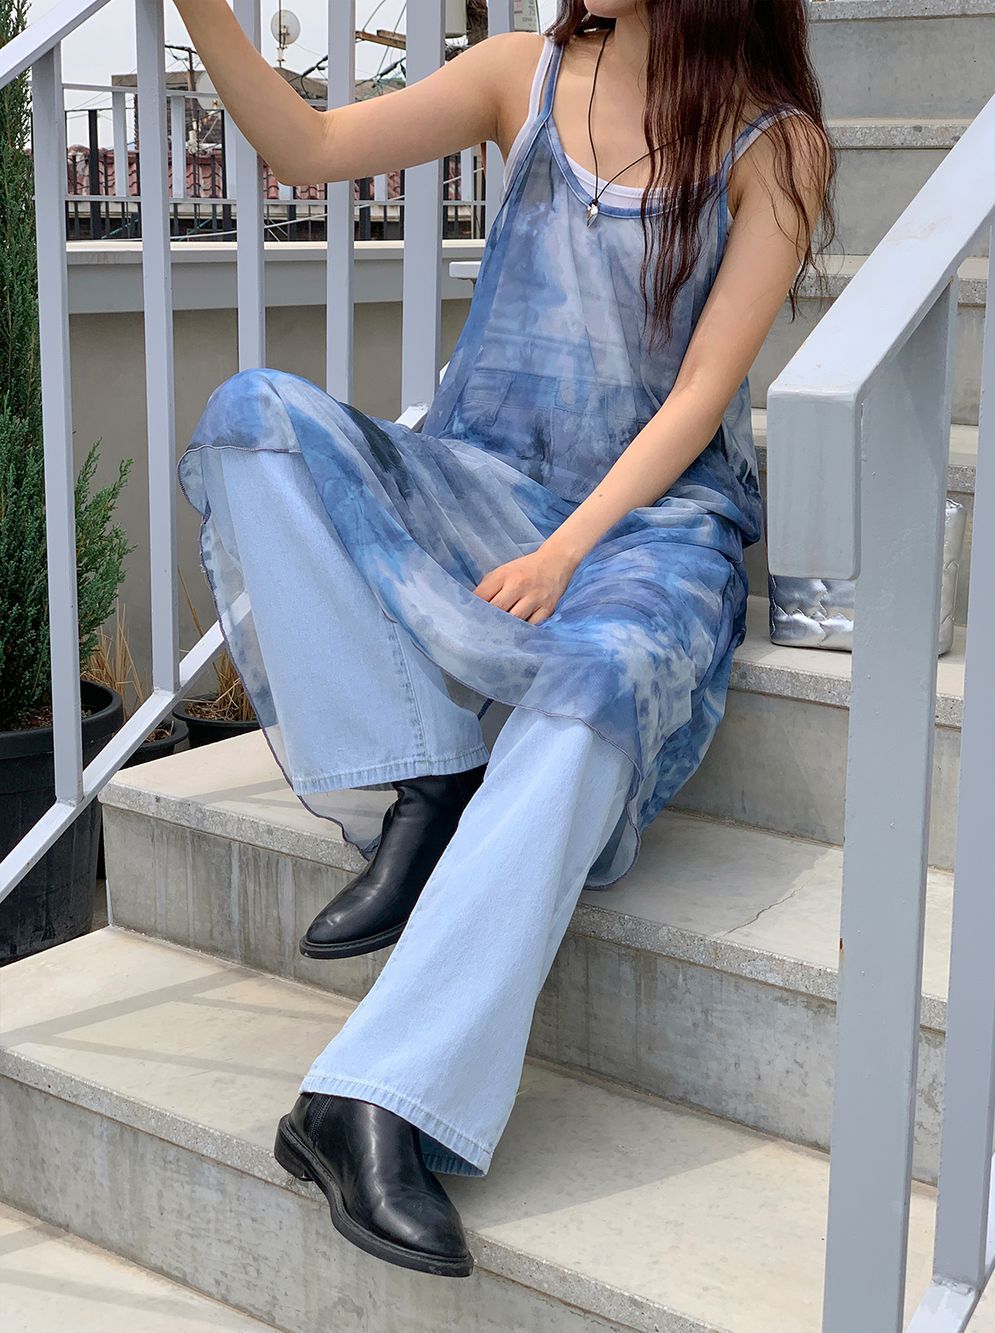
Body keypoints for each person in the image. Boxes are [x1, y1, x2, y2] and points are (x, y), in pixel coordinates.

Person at [173, 0, 834, 1281]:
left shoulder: (774, 145)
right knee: (255, 419)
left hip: (651, 527)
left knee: (600, 678)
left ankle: (370, 1101)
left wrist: (567, 550)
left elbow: (700, 392)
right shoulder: (517, 75)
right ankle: (430, 769)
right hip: (483, 474)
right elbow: (308, 148)